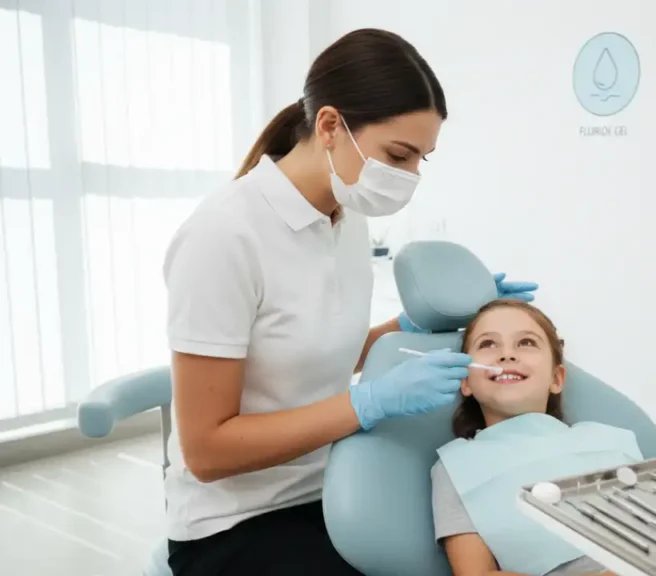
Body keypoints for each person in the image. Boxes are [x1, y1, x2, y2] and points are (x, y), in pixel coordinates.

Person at [161, 29, 537, 576]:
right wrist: (367, 404)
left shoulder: (346, 217)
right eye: (398, 155)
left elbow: (306, 352)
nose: (409, 177)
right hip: (238, 523)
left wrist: (406, 327)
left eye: (421, 160)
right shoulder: (223, 237)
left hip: (337, 486)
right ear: (331, 126)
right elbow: (207, 451)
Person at [431, 299, 643, 576]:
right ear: (467, 382)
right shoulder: (455, 466)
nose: (507, 355)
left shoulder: (614, 441)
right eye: (487, 344)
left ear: (557, 378)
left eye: (526, 343)